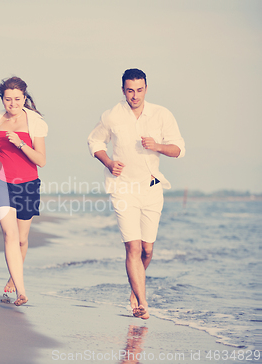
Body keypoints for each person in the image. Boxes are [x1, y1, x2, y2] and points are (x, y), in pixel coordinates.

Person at [87, 69, 185, 319]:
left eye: (139, 90)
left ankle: (135, 288)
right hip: (122, 188)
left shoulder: (161, 114)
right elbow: (94, 141)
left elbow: (179, 149)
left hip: (152, 188)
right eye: (130, 90)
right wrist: (108, 162)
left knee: (147, 250)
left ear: (146, 88)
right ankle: (142, 301)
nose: (135, 95)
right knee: (133, 246)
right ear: (123, 90)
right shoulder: (112, 116)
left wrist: (158, 146)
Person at [0, 76, 47, 306]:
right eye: (8, 99)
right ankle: (21, 290)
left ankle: (13, 275)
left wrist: (20, 143)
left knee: (21, 239)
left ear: (24, 98)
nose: (13, 104)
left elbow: (41, 160)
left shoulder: (35, 122)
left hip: (27, 183)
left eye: (17, 99)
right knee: (9, 235)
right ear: (3, 99)